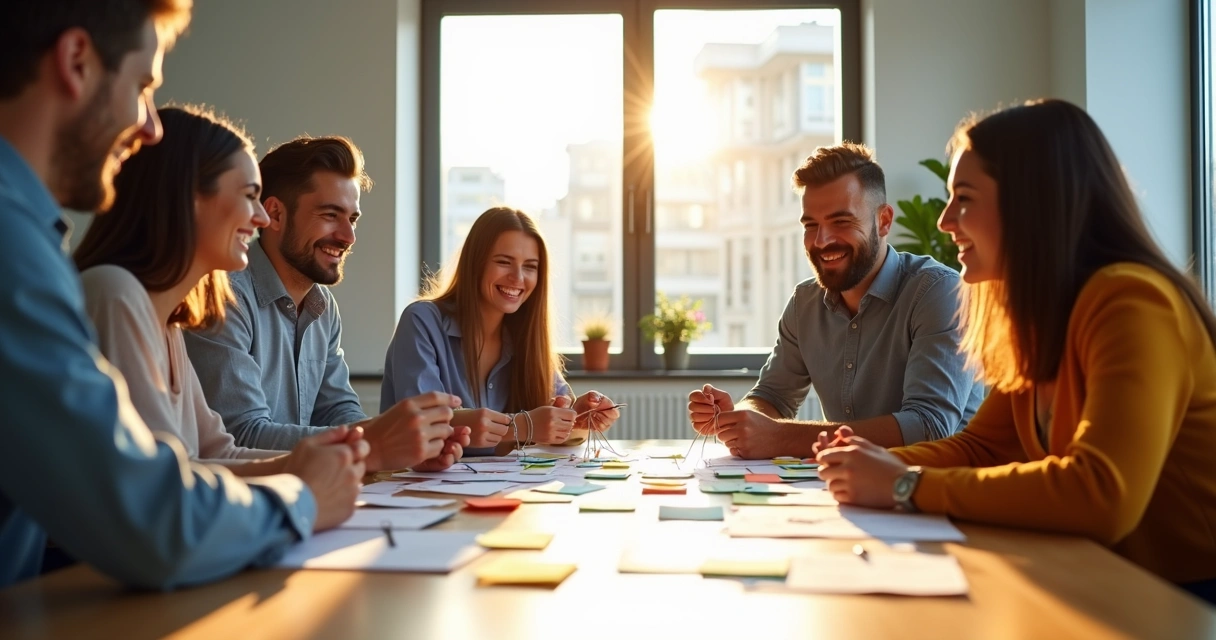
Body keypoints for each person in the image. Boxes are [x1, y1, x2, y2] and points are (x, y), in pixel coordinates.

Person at [0, 0, 360, 589]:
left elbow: (208, 454)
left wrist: (315, 468)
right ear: (75, 60)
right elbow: (147, 511)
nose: (150, 128)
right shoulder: (32, 254)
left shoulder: (48, 248)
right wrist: (302, 497)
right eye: (143, 86)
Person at [814, 99, 1216, 602]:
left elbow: (1102, 493)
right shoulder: (1042, 315)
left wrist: (904, 485)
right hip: (1105, 579)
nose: (945, 221)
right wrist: (867, 463)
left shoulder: (1132, 301)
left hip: (1186, 599)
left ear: (1032, 203)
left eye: (963, 198)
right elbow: (982, 448)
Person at [76, 105, 374, 482]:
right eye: (249, 196)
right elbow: (159, 483)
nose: (260, 218)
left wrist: (356, 453)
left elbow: (218, 453)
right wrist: (361, 451)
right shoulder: (116, 294)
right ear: (187, 199)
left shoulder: (168, 319)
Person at [183, 135, 466, 471]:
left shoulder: (323, 306)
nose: (349, 237)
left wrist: (410, 448)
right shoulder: (223, 295)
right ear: (275, 214)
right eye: (331, 215)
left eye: (353, 219)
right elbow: (242, 435)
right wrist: (375, 444)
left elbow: (338, 410)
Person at [687, 142, 981, 459]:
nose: (821, 240)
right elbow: (772, 397)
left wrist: (780, 438)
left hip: (937, 483)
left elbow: (929, 426)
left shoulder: (940, 292)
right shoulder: (804, 303)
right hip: (850, 482)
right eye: (811, 225)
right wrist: (740, 419)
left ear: (883, 221)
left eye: (841, 221)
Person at [381, 207, 620, 456]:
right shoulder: (421, 321)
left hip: (500, 481)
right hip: (414, 480)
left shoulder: (526, 338)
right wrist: (521, 427)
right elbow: (423, 424)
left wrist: (578, 417)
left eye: (530, 266)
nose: (518, 278)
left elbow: (558, 426)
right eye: (504, 262)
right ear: (475, 264)